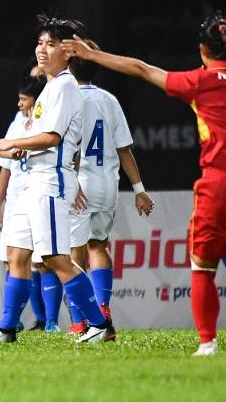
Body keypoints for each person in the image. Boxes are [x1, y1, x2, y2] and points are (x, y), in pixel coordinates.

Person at [62, 11, 226, 356]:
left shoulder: (200, 81)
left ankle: (208, 342)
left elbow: (143, 69)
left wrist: (92, 55)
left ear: (204, 50)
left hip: (219, 186)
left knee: (202, 269)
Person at [0, 15, 113, 344]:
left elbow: (51, 137)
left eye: (51, 44)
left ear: (69, 53)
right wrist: (22, 151)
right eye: (41, 43)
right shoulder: (49, 88)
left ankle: (98, 323)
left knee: (54, 258)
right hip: (30, 181)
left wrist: (13, 143)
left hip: (50, 183)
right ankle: (7, 328)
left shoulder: (63, 86)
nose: (42, 50)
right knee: (17, 256)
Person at [65, 38, 155, 335]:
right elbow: (124, 149)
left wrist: (72, 180)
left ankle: (80, 320)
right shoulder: (109, 100)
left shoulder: (67, 98)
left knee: (74, 252)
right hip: (107, 184)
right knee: (99, 246)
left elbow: (72, 147)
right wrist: (140, 189)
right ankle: (102, 305)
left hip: (79, 184)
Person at [0, 70, 49, 332]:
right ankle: (14, 322)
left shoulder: (47, 122)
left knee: (46, 262)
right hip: (17, 200)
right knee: (13, 259)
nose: (19, 103)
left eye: (24, 98)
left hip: (40, 196)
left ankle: (54, 321)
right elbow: (3, 161)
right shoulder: (18, 122)